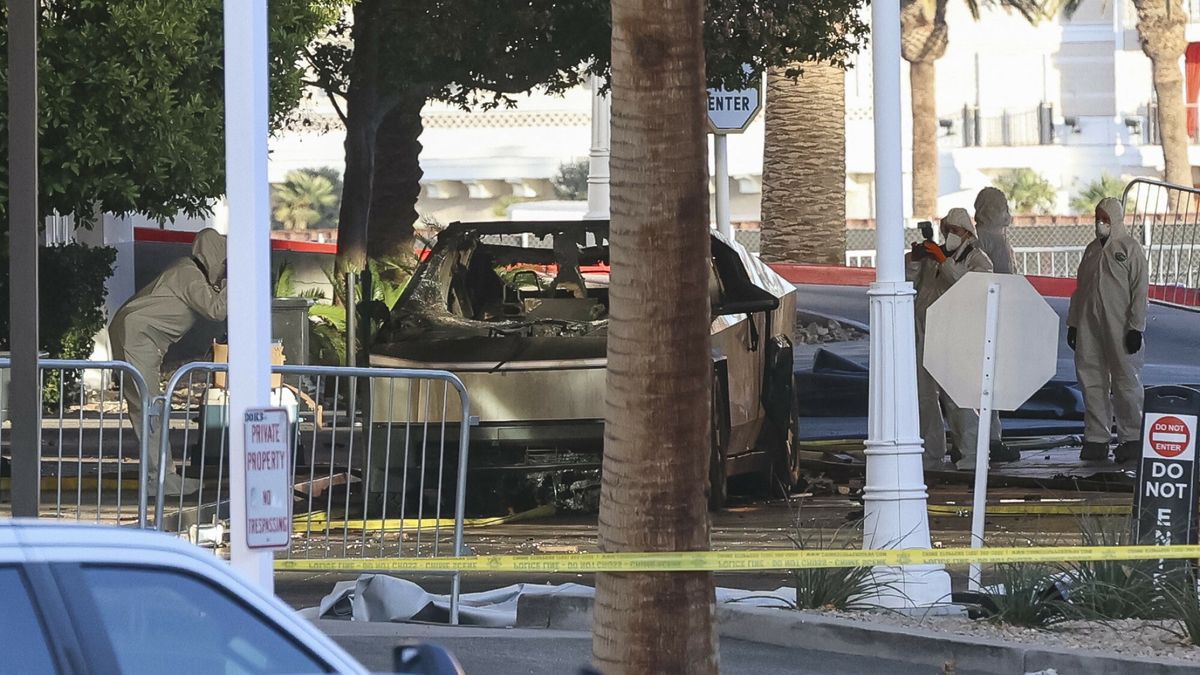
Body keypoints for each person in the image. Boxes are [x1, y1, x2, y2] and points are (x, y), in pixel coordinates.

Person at [109, 229, 228, 496]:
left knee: (149, 408)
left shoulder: (188, 271)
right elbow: (216, 310)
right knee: (149, 409)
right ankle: (159, 479)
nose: (223, 269)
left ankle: (160, 477)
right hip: (138, 337)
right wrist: (237, 280)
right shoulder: (189, 274)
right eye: (223, 262)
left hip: (138, 336)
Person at [908, 208, 994, 471]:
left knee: (959, 399)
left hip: (957, 337)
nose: (950, 235)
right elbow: (910, 279)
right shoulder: (936, 258)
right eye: (947, 230)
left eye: (955, 231)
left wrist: (942, 261)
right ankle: (930, 455)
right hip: (927, 332)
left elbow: (966, 286)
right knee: (925, 398)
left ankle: (973, 456)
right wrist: (916, 257)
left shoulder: (979, 260)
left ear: (968, 232)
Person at [1067, 197, 1148, 463]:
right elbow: (1080, 290)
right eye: (1097, 217)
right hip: (1090, 326)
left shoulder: (1129, 248)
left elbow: (1139, 291)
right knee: (1091, 380)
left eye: (1104, 217)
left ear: (1115, 218)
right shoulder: (1091, 250)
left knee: (1126, 380)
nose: (1099, 222)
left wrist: (1136, 326)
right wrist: (1074, 323)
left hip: (1121, 326)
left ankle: (1132, 437)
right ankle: (1097, 438)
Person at [972, 187, 1020, 462]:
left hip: (975, 315)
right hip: (993, 318)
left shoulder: (976, 238)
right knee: (990, 380)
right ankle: (992, 438)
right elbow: (1007, 281)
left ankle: (976, 436)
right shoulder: (996, 243)